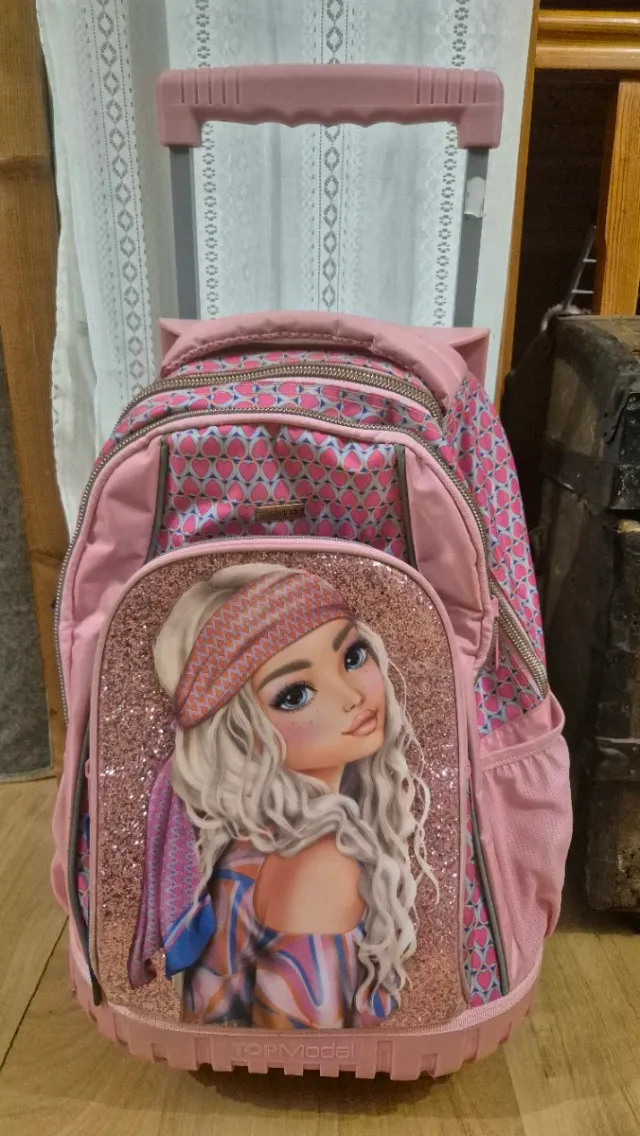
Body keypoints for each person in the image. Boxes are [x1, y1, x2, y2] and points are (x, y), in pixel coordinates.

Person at [129, 563, 435, 1029]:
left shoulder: (259, 840)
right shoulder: (318, 862)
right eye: (295, 695)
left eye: (353, 657)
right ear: (242, 732)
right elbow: (302, 1052)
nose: (351, 695)